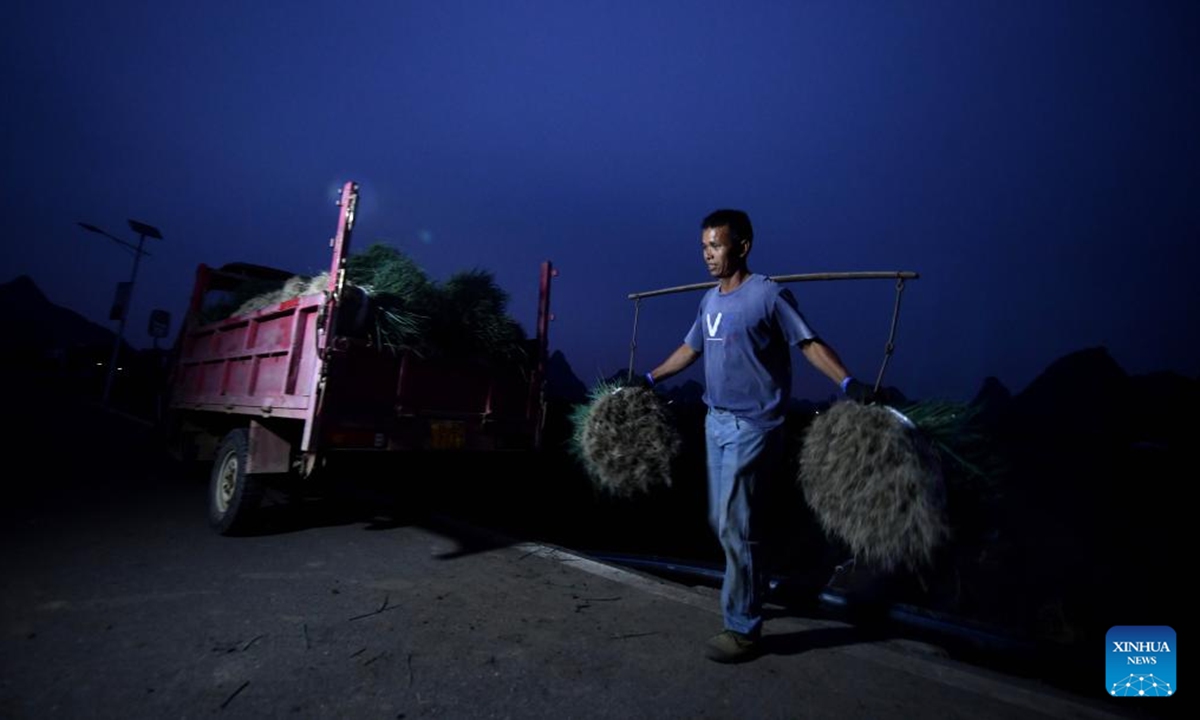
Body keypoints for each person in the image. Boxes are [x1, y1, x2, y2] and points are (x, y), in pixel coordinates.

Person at [642, 209, 871, 663]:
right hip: (716, 422)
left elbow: (808, 343)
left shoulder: (768, 295)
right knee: (723, 520)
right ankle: (755, 584)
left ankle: (743, 628)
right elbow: (690, 350)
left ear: (742, 246)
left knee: (733, 522)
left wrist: (848, 383)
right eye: (704, 246)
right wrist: (648, 378)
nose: (708, 255)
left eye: (717, 246)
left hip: (755, 426)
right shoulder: (709, 301)